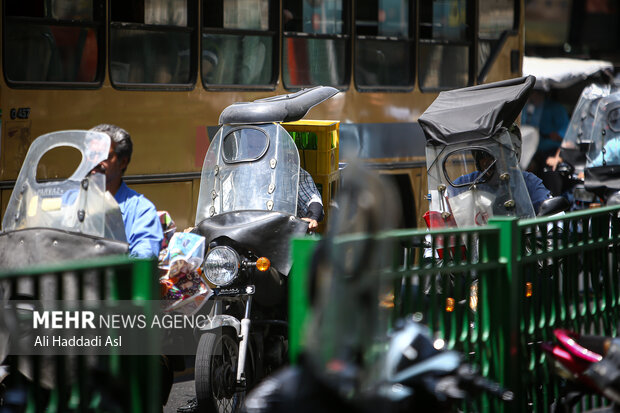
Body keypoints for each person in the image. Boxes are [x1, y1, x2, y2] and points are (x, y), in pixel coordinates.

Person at [90, 123, 163, 258]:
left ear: (123, 162)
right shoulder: (70, 200)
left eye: (103, 156)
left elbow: (143, 259)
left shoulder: (141, 210)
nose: (94, 161)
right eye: (91, 155)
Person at [452, 128, 551, 215]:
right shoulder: (462, 185)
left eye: (497, 152)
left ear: (510, 155)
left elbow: (553, 215)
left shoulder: (528, 183)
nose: (489, 161)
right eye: (482, 154)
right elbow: (443, 211)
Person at [521, 89, 570, 176]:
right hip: (529, 150)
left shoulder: (555, 108)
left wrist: (555, 135)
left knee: (550, 173)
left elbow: (566, 134)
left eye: (532, 93)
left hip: (550, 150)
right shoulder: (525, 108)